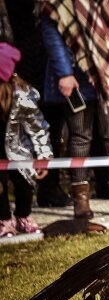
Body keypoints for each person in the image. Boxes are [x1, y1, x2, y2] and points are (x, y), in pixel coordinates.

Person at [40, 0, 109, 219]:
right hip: (76, 74)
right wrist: (64, 73)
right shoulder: (54, 4)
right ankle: (81, 202)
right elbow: (52, 37)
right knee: (80, 137)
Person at [4, 0, 69, 208]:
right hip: (23, 69)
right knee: (26, 133)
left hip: (36, 67)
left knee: (46, 128)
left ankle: (47, 188)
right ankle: (39, 190)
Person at [0, 43, 52, 236]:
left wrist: (44, 156)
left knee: (25, 183)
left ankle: (23, 216)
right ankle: (4, 219)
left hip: (18, 149)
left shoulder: (22, 96)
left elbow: (38, 127)